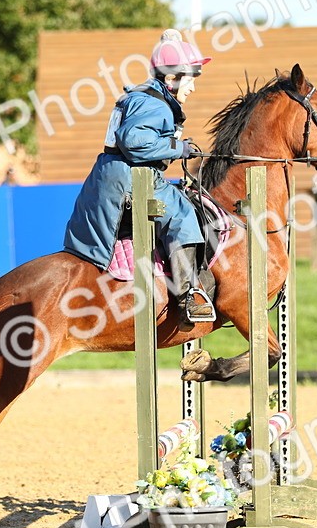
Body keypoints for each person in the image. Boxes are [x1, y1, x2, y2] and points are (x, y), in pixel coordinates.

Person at [63, 29, 215, 323]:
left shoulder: (147, 97)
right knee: (183, 214)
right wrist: (178, 147)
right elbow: (134, 142)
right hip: (129, 178)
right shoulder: (153, 103)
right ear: (171, 78)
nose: (193, 88)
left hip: (113, 175)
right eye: (190, 79)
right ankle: (187, 297)